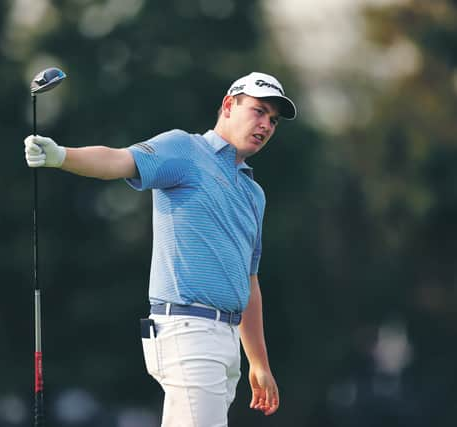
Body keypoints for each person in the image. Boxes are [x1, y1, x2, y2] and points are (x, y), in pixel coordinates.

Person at [24, 71, 297, 426]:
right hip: (188, 328)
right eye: (259, 111)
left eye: (273, 120)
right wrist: (61, 155)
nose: (266, 125)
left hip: (225, 340)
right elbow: (117, 160)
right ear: (229, 105)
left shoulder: (253, 193)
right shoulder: (184, 149)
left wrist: (258, 362)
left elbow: (249, 281)